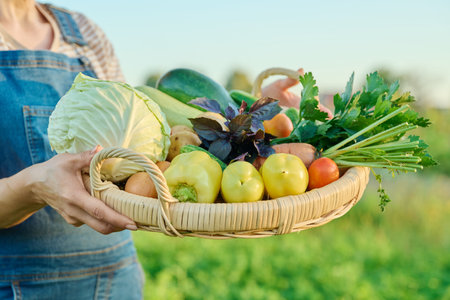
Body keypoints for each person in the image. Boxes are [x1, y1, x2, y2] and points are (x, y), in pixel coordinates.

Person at [0, 1, 331, 299]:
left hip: (115, 277)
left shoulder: (83, 32)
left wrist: (251, 114)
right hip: (14, 284)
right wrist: (33, 187)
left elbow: (136, 135)